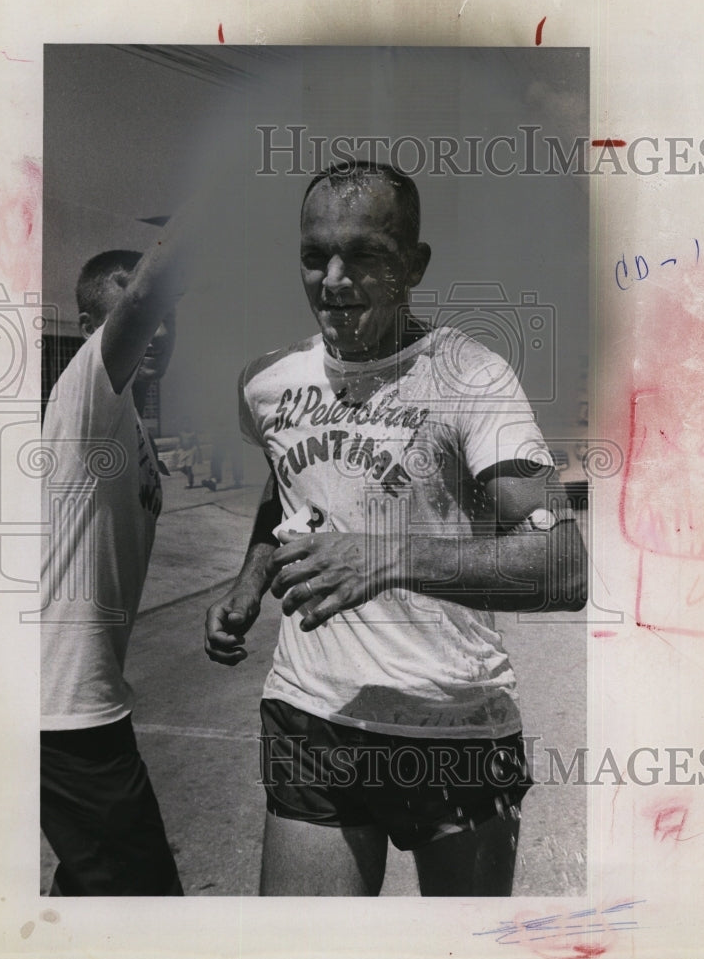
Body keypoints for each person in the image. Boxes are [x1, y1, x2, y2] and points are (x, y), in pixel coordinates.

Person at [205, 162, 587, 897]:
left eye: (365, 255)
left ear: (414, 265)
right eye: (315, 256)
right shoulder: (268, 382)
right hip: (312, 713)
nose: (334, 280)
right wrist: (249, 583)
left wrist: (386, 557)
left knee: (458, 946)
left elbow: (563, 567)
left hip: (451, 722)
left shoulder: (471, 378)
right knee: (300, 950)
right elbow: (289, 481)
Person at [40, 214, 192, 896]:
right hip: (65, 707)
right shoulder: (87, 396)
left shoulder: (125, 416)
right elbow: (147, 294)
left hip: (72, 700)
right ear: (85, 327)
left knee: (92, 890)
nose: (158, 331)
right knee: (144, 907)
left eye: (169, 320)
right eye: (140, 314)